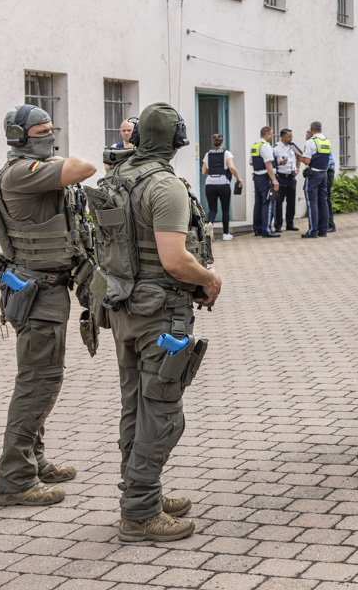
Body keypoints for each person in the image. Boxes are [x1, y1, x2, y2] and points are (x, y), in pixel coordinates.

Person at [98, 103, 220, 542]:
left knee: (136, 405)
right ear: (177, 138)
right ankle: (139, 512)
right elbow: (174, 260)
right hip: (162, 314)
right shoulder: (164, 186)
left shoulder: (116, 178)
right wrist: (209, 279)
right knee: (163, 412)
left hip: (124, 309)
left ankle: (141, 492)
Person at [0, 105, 96, 506]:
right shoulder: (21, 173)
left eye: (52, 130)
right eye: (42, 133)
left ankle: (33, 459)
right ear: (20, 139)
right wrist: (51, 158)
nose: (50, 137)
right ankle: (15, 479)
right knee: (37, 384)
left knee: (42, 381)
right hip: (39, 296)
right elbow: (84, 168)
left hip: (44, 291)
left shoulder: (27, 170)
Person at [201, 134, 241, 240]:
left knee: (212, 208)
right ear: (222, 143)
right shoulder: (226, 153)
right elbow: (231, 168)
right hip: (223, 183)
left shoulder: (208, 154)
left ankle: (209, 223)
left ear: (213, 143)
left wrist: (213, 170)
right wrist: (238, 178)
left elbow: (204, 171)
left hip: (210, 183)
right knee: (225, 209)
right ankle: (225, 234)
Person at [298, 122, 333, 238]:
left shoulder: (311, 142)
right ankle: (323, 230)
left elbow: (307, 161)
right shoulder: (327, 141)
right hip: (324, 174)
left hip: (313, 175)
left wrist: (298, 157)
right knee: (323, 202)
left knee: (312, 202)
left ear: (311, 130)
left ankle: (313, 230)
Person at [249, 127, 280, 238]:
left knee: (258, 203)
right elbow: (268, 164)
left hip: (257, 177)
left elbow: (251, 163)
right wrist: (274, 179)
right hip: (266, 177)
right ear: (267, 135)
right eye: (271, 134)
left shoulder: (255, 145)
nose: (272, 136)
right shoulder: (265, 146)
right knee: (268, 203)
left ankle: (257, 229)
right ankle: (266, 230)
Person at [271, 129, 300, 233]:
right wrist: (280, 163)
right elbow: (272, 162)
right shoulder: (276, 147)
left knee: (291, 202)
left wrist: (297, 170)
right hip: (281, 177)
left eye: (291, 137)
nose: (291, 139)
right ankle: (278, 225)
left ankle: (290, 224)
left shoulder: (293, 147)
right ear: (283, 137)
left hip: (291, 178)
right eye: (289, 137)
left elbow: (299, 157)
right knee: (278, 202)